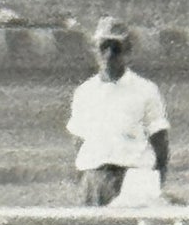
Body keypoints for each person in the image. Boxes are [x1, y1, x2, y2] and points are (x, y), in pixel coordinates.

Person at [66, 17, 170, 206]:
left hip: (133, 178)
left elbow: (160, 143)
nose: (109, 54)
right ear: (94, 49)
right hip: (94, 179)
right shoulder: (84, 92)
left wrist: (154, 184)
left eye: (116, 48)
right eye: (103, 47)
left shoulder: (145, 90)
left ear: (127, 51)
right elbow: (78, 142)